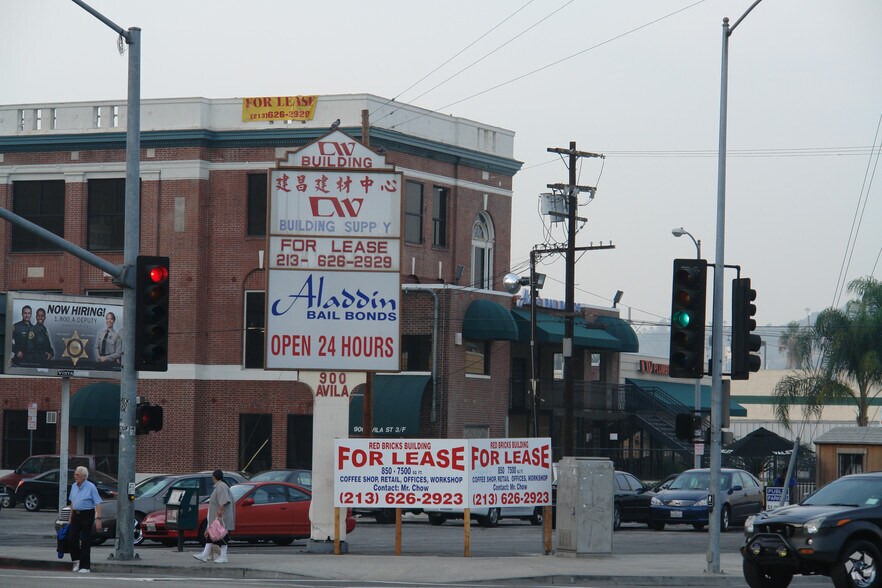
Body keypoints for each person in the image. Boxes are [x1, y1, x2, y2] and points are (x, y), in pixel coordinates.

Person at [194, 469, 235, 564]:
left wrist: (220, 511)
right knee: (211, 535)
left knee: (222, 536)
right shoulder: (220, 486)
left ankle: (223, 556)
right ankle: (205, 554)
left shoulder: (221, 486)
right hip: (217, 517)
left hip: (221, 518)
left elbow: (224, 500)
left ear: (214, 477)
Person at [68, 466, 103, 574]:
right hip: (76, 515)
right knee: (71, 538)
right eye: (75, 474)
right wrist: (70, 518)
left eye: (77, 475)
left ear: (84, 476)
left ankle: (85, 566)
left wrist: (98, 519)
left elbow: (98, 503)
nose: (75, 476)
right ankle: (76, 560)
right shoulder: (74, 486)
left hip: (87, 514)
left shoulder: (91, 487)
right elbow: (73, 503)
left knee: (85, 541)